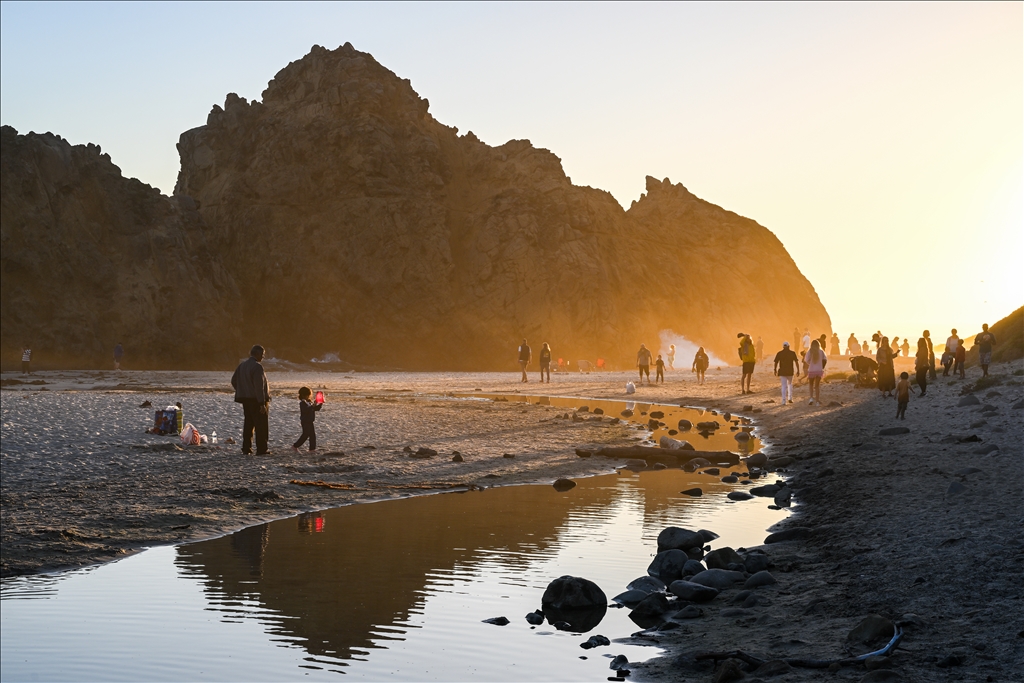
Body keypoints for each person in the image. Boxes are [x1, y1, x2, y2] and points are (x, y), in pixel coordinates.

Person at [232, 344, 271, 455]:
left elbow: (233, 381)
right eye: (262, 355)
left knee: (248, 424)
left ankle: (246, 448)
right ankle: (262, 449)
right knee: (261, 425)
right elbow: (259, 387)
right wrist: (262, 403)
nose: (262, 358)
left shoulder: (242, 365)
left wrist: (242, 390)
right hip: (256, 400)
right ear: (257, 354)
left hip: (245, 400)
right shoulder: (257, 367)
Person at [292, 387, 323, 452]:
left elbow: (316, 409)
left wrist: (320, 403)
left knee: (312, 436)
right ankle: (295, 446)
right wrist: (313, 405)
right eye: (307, 395)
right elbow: (306, 410)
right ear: (303, 395)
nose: (308, 396)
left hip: (310, 421)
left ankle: (312, 449)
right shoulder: (302, 403)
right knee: (305, 435)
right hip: (305, 421)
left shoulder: (309, 402)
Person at [804, 339, 827, 405]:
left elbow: (806, 360)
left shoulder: (810, 351)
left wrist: (810, 364)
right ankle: (817, 401)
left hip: (811, 370)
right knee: (817, 386)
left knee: (811, 385)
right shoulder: (821, 351)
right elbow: (825, 359)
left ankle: (811, 398)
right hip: (819, 370)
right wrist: (822, 366)